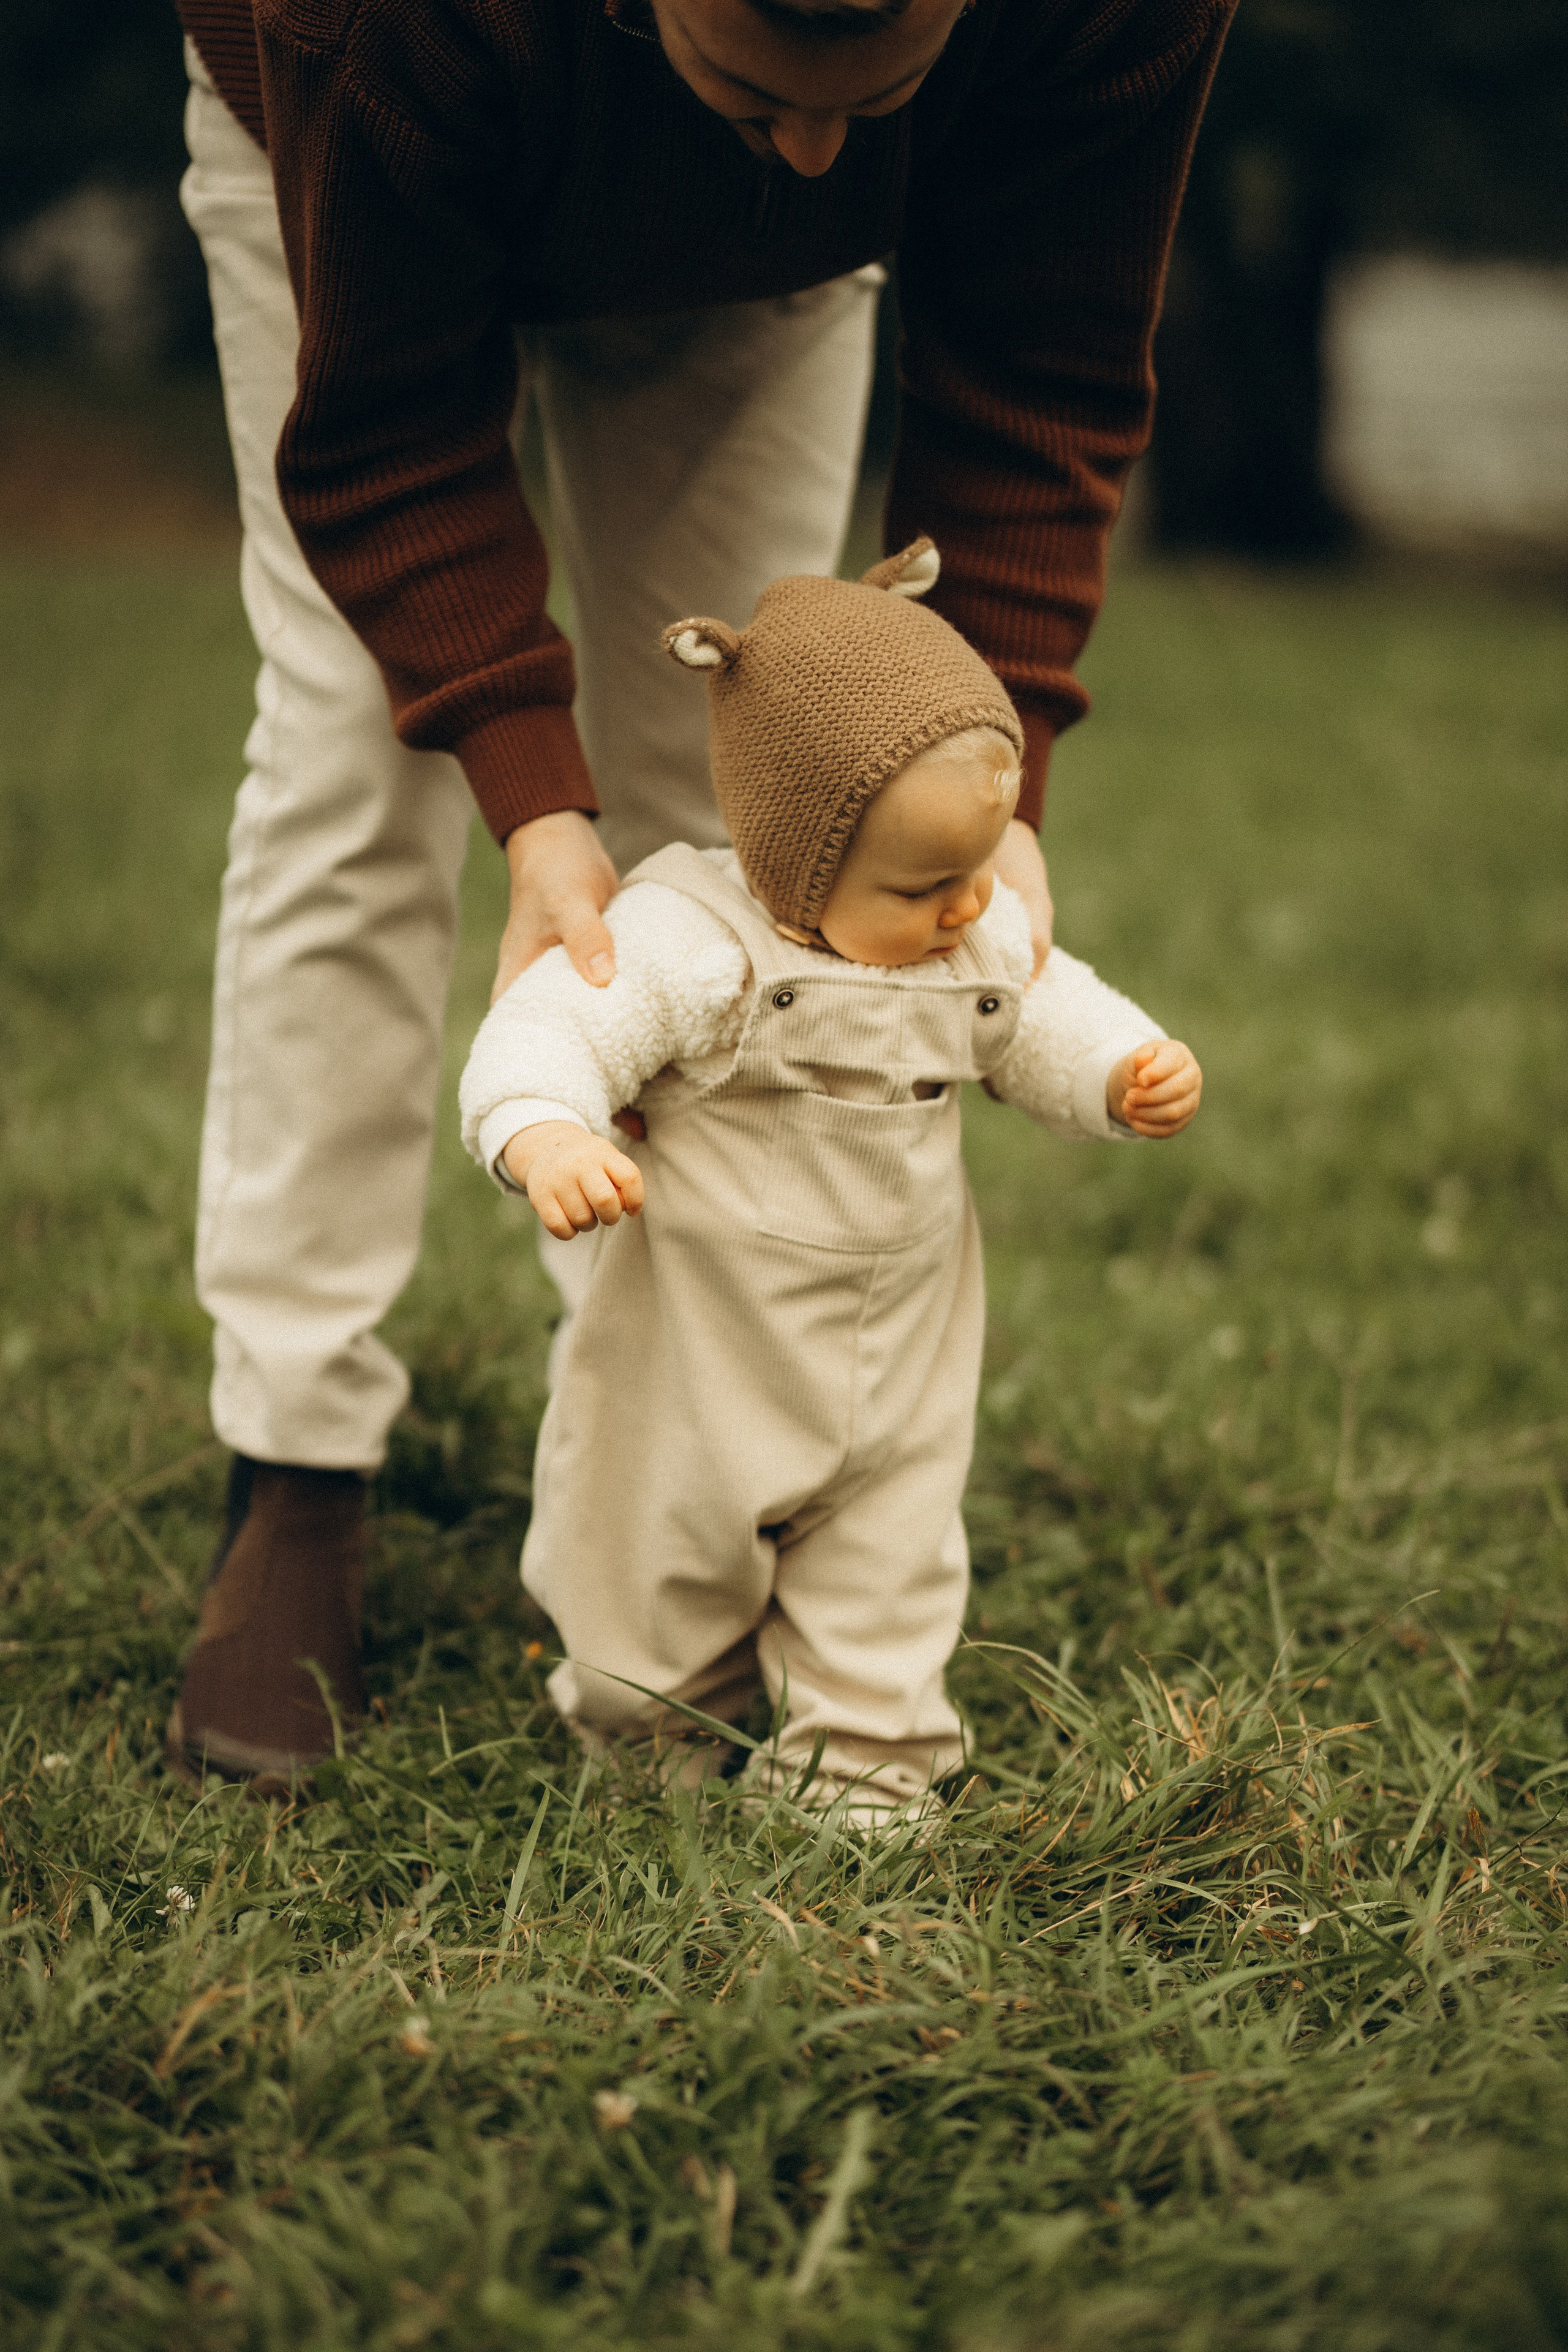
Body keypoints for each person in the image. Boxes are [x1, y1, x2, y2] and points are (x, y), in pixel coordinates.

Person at [167, 0, 1234, 1786]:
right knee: (364, 758)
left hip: (773, 295)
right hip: (358, 174)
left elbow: (1045, 366)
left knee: (735, 817)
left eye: (869, 102)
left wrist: (999, 759)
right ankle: (297, 1459)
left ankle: (678, 1473)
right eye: (762, 90)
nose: (813, 145)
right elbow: (386, 432)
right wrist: (524, 790)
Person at [458, 541, 1202, 1820]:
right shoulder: (690, 940)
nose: (972, 902)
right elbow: (548, 1030)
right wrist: (546, 1134)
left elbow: (1038, 1011)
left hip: (901, 1345)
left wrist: (1117, 1071)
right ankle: (649, 1746)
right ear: (794, 859)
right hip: (700, 1349)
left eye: (979, 864)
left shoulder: (964, 933)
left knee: (890, 1557)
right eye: (923, 883)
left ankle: (862, 1771)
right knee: (648, 1553)